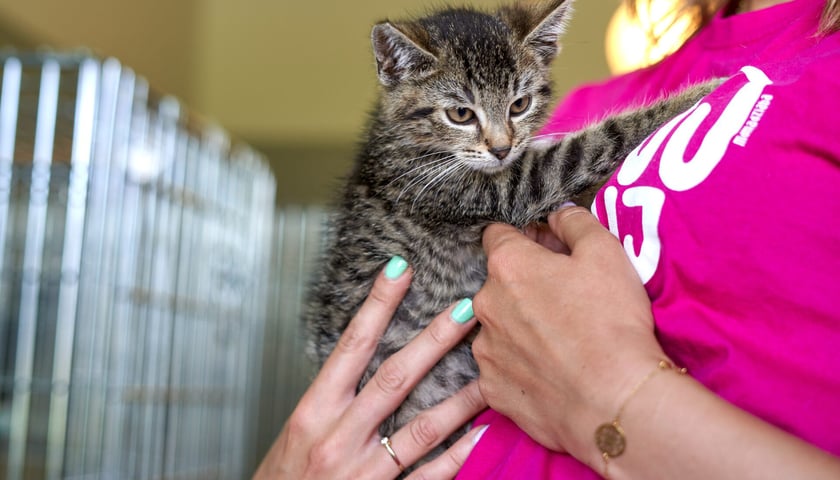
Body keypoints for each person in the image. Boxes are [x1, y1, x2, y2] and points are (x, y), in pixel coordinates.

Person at [255, 0, 840, 478]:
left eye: (517, 107)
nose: (502, 141)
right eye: (465, 116)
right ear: (396, 72)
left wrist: (615, 394)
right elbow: (534, 180)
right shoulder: (421, 169)